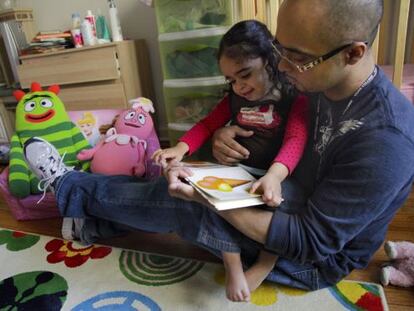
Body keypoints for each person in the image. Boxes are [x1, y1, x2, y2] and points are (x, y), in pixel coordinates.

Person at [22, 0, 414, 303]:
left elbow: (309, 241)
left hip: (311, 260)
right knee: (180, 183)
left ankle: (68, 187)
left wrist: (209, 198)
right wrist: (220, 138)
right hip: (282, 197)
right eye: (279, 48)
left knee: (184, 203)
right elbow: (264, 129)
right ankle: (93, 221)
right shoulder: (319, 83)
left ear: (352, 53)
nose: (282, 65)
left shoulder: (386, 141)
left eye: (296, 57)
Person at [152, 20, 308, 301]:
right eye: (231, 80)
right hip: (236, 170)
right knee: (204, 196)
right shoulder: (234, 100)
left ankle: (264, 263)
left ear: (271, 58)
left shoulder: (292, 96)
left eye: (245, 74)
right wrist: (181, 148)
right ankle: (232, 261)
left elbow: (295, 139)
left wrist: (273, 176)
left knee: (286, 205)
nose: (239, 86)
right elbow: (207, 124)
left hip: (271, 175)